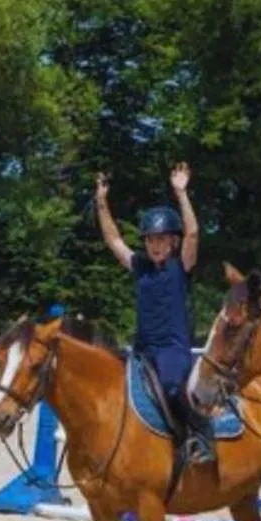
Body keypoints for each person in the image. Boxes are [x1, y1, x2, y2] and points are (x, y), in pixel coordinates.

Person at [96, 163, 210, 465]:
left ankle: (196, 438)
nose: (155, 245)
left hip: (172, 350)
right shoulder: (140, 268)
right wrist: (101, 202)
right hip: (142, 349)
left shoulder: (180, 267)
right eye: (150, 239)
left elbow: (194, 233)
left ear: (172, 241)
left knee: (173, 389)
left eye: (161, 239)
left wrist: (181, 193)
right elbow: (113, 240)